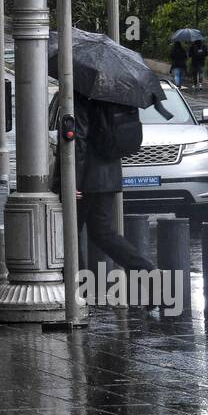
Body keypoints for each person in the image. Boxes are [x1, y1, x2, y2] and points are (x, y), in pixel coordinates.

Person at [56, 94, 157, 280]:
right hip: (108, 175)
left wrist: (72, 182)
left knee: (69, 232)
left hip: (85, 179)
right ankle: (146, 271)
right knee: (101, 232)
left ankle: (78, 289)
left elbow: (78, 141)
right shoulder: (112, 97)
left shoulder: (79, 96)